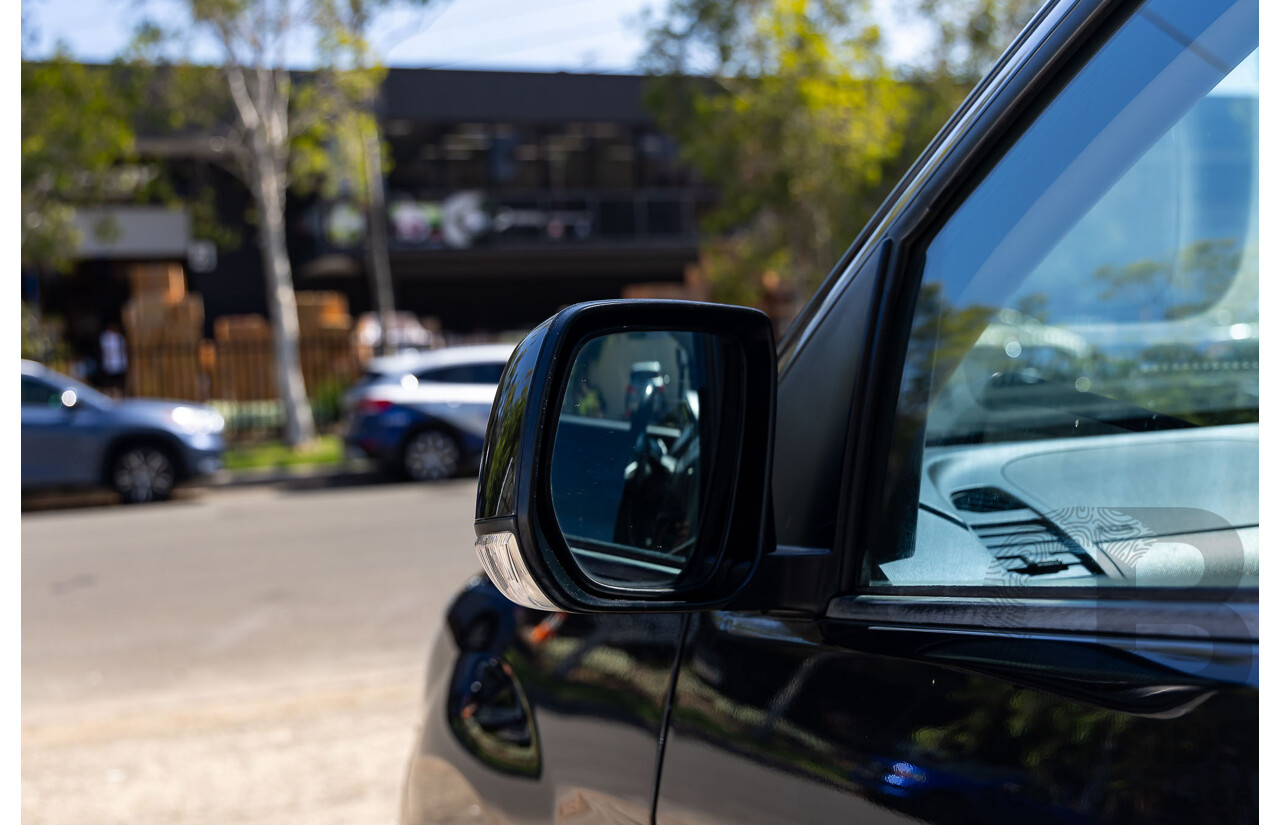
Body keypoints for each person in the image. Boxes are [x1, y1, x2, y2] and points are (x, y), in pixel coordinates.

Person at [98, 323, 127, 397]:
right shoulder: (106, 337)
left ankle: (118, 393)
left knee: (118, 381)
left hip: (119, 363)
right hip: (110, 364)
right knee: (111, 381)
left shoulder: (120, 337)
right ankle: (112, 393)